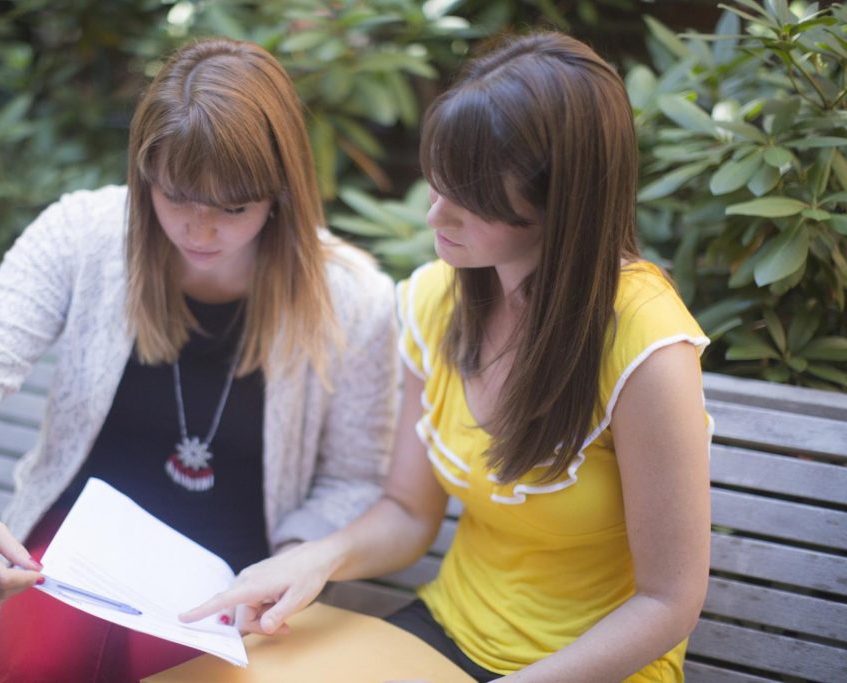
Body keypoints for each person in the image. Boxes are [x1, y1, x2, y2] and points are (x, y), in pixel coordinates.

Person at [181, 31, 713, 682]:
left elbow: (668, 601)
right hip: (445, 634)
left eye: (472, 202)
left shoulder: (645, 343)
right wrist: (318, 557)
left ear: (562, 206)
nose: (436, 215)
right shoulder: (440, 298)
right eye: (439, 184)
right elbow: (409, 512)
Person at [0, 37, 399, 682]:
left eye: (233, 207)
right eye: (177, 196)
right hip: (72, 558)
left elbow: (352, 479)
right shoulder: (84, 235)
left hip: (236, 581)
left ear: (280, 193)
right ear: (144, 172)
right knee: (51, 667)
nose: (200, 231)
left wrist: (293, 563)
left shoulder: (353, 298)